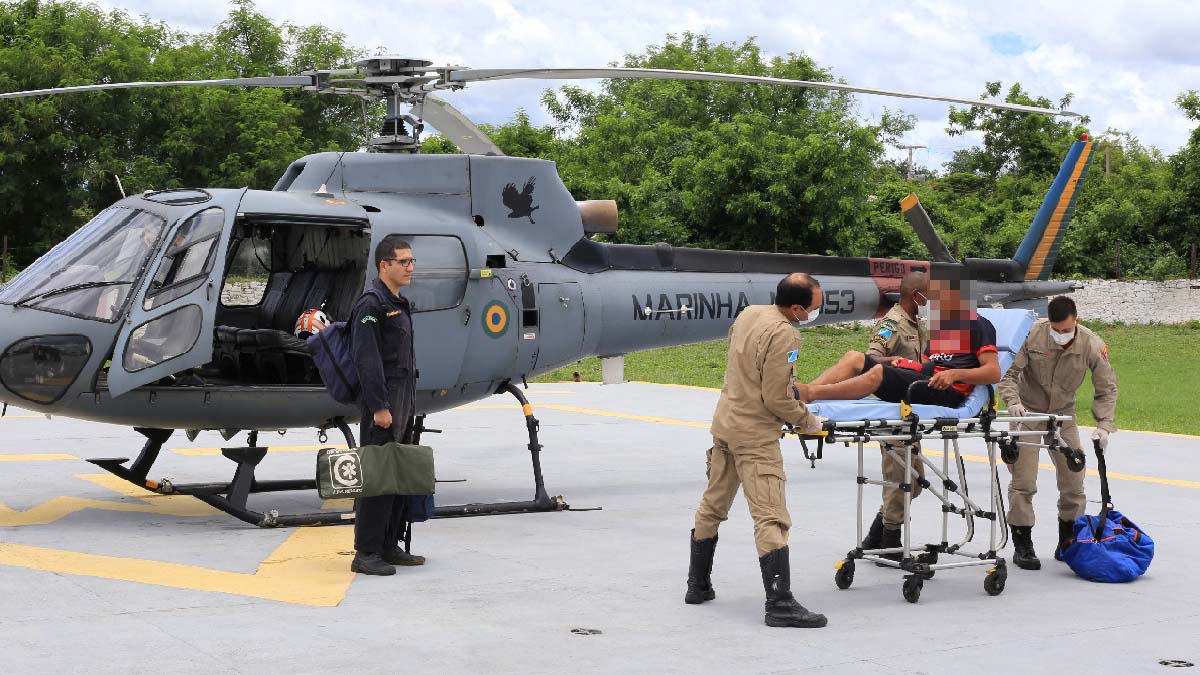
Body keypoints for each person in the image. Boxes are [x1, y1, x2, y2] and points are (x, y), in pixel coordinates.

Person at [687, 273, 828, 629]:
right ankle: (779, 603)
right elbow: (777, 397)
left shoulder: (750, 314)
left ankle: (697, 585)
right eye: (813, 307)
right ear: (796, 307)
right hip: (754, 436)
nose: (815, 312)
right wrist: (807, 421)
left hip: (725, 425)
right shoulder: (785, 332)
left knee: (713, 504)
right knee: (771, 517)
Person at [998, 295, 1118, 570]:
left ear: (1077, 321)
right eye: (1056, 330)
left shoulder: (1092, 343)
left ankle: (1068, 540)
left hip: (1063, 415)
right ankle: (1023, 544)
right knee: (1023, 479)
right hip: (1027, 412)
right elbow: (1008, 374)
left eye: (1066, 330)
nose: (1061, 335)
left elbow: (1106, 387)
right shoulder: (1031, 334)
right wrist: (1013, 402)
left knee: (1074, 478)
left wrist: (1103, 425)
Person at [795, 274, 1000, 409]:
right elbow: (929, 366)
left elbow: (993, 372)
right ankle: (802, 396)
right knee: (854, 357)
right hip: (925, 382)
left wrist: (954, 374)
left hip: (948, 392)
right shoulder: (936, 329)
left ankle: (812, 393)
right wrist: (905, 364)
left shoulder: (977, 325)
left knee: (878, 373)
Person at [349, 235, 425, 576]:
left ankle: (388, 544)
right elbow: (367, 361)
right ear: (385, 265)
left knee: (397, 474)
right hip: (383, 402)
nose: (410, 267)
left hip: (403, 398)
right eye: (403, 261)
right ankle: (365, 552)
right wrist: (379, 406)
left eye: (411, 261)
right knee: (377, 477)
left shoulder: (398, 301)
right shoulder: (371, 304)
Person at [859, 271, 929, 557]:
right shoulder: (891, 323)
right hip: (893, 409)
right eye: (929, 293)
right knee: (898, 477)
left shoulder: (919, 323)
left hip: (910, 410)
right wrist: (895, 361)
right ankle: (890, 541)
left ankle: (876, 535)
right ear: (916, 295)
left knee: (913, 481)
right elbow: (870, 359)